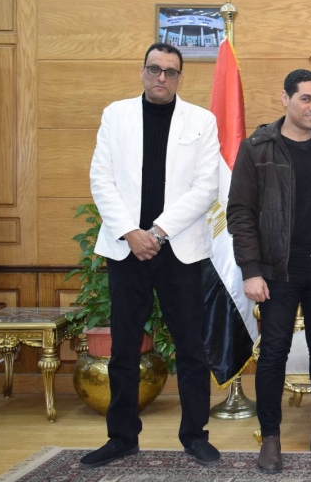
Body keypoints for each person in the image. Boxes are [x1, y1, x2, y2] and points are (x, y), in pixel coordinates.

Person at [83, 42, 220, 469]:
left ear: (180, 77)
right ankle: (122, 437)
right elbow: (101, 178)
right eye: (154, 69)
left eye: (170, 72)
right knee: (124, 347)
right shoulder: (116, 114)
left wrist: (157, 232)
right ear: (142, 71)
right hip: (127, 249)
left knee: (191, 347)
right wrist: (131, 232)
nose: (161, 78)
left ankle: (195, 435)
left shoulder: (201, 120)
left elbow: (206, 187)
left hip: (178, 249)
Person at [227, 69, 311, 474]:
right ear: (285, 99)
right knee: (273, 353)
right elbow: (240, 213)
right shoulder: (257, 148)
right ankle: (270, 437)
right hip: (276, 271)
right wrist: (251, 270)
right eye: (306, 98)